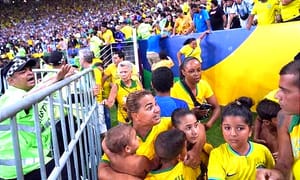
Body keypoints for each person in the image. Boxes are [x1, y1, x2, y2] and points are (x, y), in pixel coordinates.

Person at [98, 90, 204, 179]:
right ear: (136, 115)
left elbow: (199, 126)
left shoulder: (166, 123)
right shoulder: (123, 136)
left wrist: (196, 150)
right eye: (149, 107)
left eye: (156, 104)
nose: (157, 109)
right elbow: (102, 171)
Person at [0, 58, 72, 179]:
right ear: (11, 81)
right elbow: (27, 98)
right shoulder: (12, 95)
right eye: (22, 72)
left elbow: (40, 86)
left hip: (29, 162)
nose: (29, 73)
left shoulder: (23, 91)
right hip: (22, 168)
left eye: (30, 69)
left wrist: (60, 77)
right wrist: (56, 79)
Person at [207, 97, 275, 179]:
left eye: (240, 128)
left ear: (250, 130)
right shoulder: (217, 155)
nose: (233, 134)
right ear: (221, 128)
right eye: (227, 128)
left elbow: (273, 174)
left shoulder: (263, 151)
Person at [256, 60, 300, 180]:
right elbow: (284, 162)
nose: (277, 96)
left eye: (285, 90)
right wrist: (276, 173)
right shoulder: (284, 117)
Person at [171, 57, 221, 130]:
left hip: (196, 126)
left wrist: (208, 125)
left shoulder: (204, 84)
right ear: (183, 72)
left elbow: (216, 107)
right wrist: (191, 113)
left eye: (199, 70)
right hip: (181, 129)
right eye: (191, 71)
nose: (196, 74)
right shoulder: (174, 89)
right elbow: (173, 118)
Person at [172, 108, 212, 179]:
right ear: (175, 129)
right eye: (188, 128)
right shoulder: (172, 156)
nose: (195, 132)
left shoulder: (206, 149)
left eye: (195, 125)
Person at [79, 48, 107, 133]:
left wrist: (98, 100)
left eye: (79, 57)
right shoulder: (84, 70)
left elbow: (98, 86)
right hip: (88, 101)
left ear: (83, 59)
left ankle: (105, 145)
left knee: (101, 126)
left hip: (96, 102)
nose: (78, 59)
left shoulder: (95, 70)